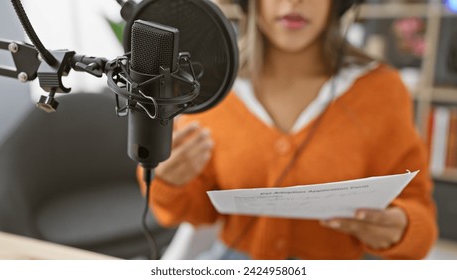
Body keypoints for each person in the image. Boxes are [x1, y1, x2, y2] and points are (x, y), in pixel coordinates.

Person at [137, 0, 437, 260]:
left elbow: (420, 214)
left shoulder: (381, 89)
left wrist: (402, 227)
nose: (295, 1)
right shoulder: (210, 89)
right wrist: (167, 179)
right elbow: (194, 213)